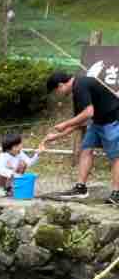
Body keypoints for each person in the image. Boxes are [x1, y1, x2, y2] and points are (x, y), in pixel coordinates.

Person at [45, 70, 119, 205]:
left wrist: (65, 124)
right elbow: (80, 121)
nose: (58, 95)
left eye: (56, 92)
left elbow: (88, 113)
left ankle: (117, 193)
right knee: (86, 149)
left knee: (116, 156)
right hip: (97, 122)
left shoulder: (81, 85)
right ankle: (81, 188)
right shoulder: (77, 90)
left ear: (61, 85)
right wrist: (56, 136)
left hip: (113, 120)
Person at [0, 130, 43, 197]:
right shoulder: (3, 156)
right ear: (8, 148)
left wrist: (37, 154)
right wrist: (12, 173)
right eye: (16, 146)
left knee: (23, 164)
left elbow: (28, 163)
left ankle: (9, 188)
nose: (20, 147)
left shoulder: (20, 153)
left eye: (20, 144)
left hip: (9, 180)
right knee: (2, 170)